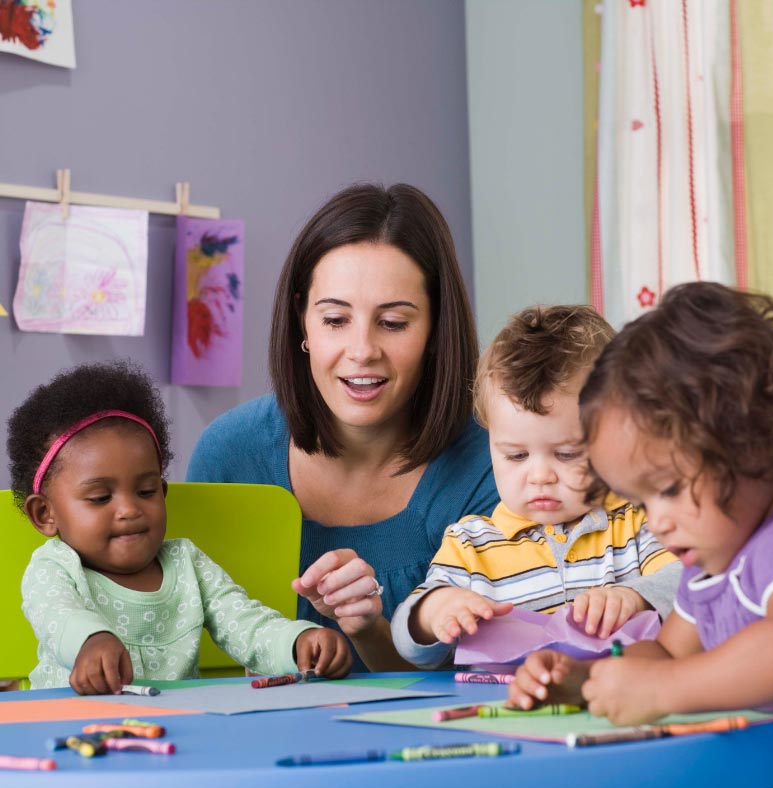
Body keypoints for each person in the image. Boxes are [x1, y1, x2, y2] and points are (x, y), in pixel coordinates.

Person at [508, 283, 773, 787]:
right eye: (642, 502)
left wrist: (664, 690)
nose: (657, 521)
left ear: (754, 439)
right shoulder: (713, 557)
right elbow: (670, 654)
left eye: (669, 488)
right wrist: (585, 679)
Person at [186, 183, 499, 671]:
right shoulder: (229, 453)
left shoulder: (494, 467)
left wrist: (367, 628)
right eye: (335, 319)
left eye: (393, 323)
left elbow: (479, 683)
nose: (361, 350)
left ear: (436, 331)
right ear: (302, 323)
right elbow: (191, 653)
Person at [8, 361, 352, 693]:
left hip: (175, 732)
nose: (129, 510)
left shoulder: (186, 563)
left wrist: (297, 642)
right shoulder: (53, 568)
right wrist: (91, 641)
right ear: (45, 514)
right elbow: (58, 616)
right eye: (100, 497)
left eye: (146, 491)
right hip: (72, 729)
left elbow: (245, 623)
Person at [391, 305, 680, 669]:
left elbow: (692, 583)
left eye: (566, 453)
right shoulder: (471, 546)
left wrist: (635, 596)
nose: (539, 476)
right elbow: (406, 640)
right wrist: (435, 611)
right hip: (506, 713)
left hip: (614, 706)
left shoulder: (635, 519)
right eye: (516, 456)